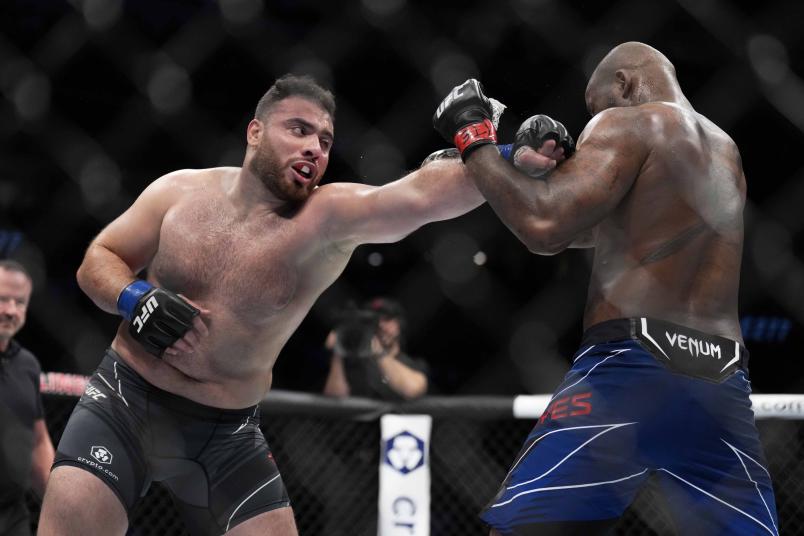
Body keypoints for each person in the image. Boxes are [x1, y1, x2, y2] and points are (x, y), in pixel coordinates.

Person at [38, 74, 566, 536]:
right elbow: (97, 261)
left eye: (326, 139)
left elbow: (419, 197)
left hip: (226, 433)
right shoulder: (178, 192)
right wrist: (134, 297)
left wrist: (508, 157)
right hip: (125, 401)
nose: (315, 147)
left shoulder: (325, 218)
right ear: (255, 131)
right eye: (299, 130)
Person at [433, 42, 779, 535]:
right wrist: (503, 175)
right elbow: (587, 230)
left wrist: (473, 136)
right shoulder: (725, 150)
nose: (592, 124)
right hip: (721, 376)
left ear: (623, 84)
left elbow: (543, 225)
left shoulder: (629, 122)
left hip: (631, 364)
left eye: (595, 109)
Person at [0, 260, 55, 536]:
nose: (10, 310)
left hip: (12, 515)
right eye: (2, 299)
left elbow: (38, 440)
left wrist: (60, 505)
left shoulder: (27, 365)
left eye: (19, 302)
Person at [323, 297, 429, 401]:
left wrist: (379, 352)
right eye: (372, 321)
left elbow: (412, 390)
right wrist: (338, 352)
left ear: (399, 324)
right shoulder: (354, 363)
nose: (380, 325)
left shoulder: (413, 364)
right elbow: (334, 398)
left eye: (387, 319)